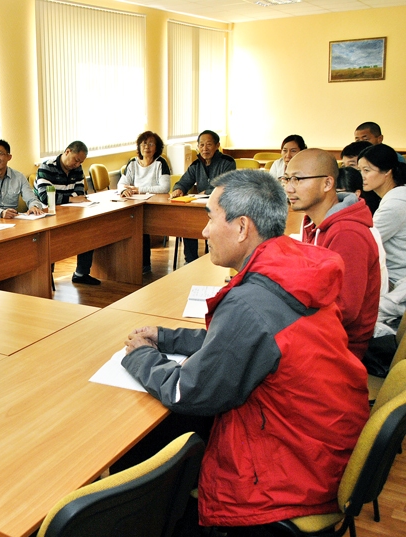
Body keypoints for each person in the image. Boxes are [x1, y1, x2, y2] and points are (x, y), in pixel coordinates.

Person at [121, 169, 368, 531]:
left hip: (288, 476)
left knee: (164, 441)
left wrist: (140, 354)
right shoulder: (291, 264)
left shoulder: (252, 302)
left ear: (241, 228)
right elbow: (241, 341)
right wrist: (166, 336)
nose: (203, 231)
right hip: (321, 444)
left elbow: (185, 390)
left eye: (209, 217)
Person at [284, 148, 380, 359]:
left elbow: (344, 310)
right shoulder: (313, 223)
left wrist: (283, 307)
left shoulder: (347, 232)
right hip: (320, 334)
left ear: (327, 184)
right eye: (287, 179)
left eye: (298, 179)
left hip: (339, 348)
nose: (289, 188)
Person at [35, 141, 99, 285]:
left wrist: (68, 199)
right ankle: (45, 278)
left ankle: (81, 273)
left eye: (80, 162)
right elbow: (46, 197)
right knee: (50, 241)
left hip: (69, 211)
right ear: (67, 151)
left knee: (89, 230)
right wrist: (71, 198)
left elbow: (80, 192)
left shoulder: (77, 169)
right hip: (47, 214)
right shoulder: (47, 167)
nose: (77, 165)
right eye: (76, 160)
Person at [171, 130, 236, 264]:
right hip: (200, 207)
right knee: (187, 224)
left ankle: (212, 260)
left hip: (220, 207)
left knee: (213, 229)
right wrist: (178, 189)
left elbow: (225, 185)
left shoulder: (227, 162)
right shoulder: (196, 164)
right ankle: (190, 261)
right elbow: (184, 181)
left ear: (217, 145)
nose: (204, 148)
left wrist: (206, 192)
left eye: (208, 144)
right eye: (201, 145)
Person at [118, 131, 171, 274]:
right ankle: (130, 264)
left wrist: (138, 189)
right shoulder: (133, 163)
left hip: (155, 204)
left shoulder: (161, 163)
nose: (147, 147)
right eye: (144, 143)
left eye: (151, 144)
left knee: (143, 227)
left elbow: (165, 188)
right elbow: (121, 184)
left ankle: (144, 265)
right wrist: (124, 191)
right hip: (134, 203)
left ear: (157, 147)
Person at [359, 143, 406, 288]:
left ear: (387, 172)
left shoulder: (395, 203)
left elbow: (364, 242)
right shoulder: (396, 194)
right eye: (359, 170)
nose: (362, 176)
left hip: (395, 281)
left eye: (366, 170)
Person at [0, 139, 43, 220]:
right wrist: (1, 213)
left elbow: (32, 199)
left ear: (9, 157)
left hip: (11, 221)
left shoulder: (19, 177)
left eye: (0, 154)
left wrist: (34, 207)